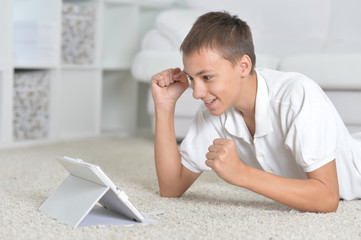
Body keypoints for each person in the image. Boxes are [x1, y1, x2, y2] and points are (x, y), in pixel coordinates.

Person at [150, 11, 361, 213]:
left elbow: (327, 198)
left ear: (243, 65)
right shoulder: (215, 109)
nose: (197, 92)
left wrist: (241, 173)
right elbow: (171, 188)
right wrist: (165, 106)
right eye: (191, 78)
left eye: (206, 77)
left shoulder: (296, 95)